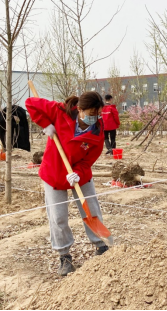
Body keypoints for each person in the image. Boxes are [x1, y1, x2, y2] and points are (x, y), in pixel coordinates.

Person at [26, 92, 109, 277]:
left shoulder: (97, 129)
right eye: (91, 113)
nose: (94, 118)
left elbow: (89, 159)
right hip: (54, 171)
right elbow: (31, 103)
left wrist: (78, 174)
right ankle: (64, 256)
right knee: (58, 217)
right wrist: (45, 124)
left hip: (80, 173)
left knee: (91, 209)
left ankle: (101, 245)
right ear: (79, 109)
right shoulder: (60, 111)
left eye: (98, 114)